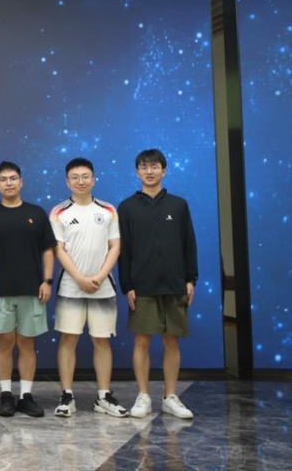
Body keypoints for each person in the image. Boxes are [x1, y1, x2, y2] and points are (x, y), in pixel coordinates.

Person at [0, 161, 55, 418]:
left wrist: (47, 281)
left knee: (28, 344)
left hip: (32, 290)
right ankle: (6, 394)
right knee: (4, 343)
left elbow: (48, 250)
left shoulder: (36, 213)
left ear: (21, 182)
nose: (9, 183)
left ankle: (26, 396)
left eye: (13, 178)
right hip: (0, 291)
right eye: (3, 179)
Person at [118, 149, 198, 419]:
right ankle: (143, 396)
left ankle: (170, 396)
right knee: (142, 341)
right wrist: (127, 285)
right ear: (137, 172)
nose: (149, 171)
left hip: (175, 284)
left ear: (164, 170)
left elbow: (189, 243)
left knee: (171, 341)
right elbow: (124, 250)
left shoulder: (179, 205)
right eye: (144, 167)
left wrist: (190, 279)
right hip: (142, 286)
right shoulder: (127, 207)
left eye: (154, 166)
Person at [49, 158, 128, 418]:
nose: (80, 181)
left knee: (101, 340)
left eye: (85, 176)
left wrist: (100, 276)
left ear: (93, 179)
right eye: (75, 177)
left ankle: (103, 396)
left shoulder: (108, 210)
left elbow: (115, 246)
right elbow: (58, 249)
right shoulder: (58, 212)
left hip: (102, 288)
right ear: (67, 182)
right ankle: (67, 396)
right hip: (71, 288)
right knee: (68, 339)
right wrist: (80, 278)